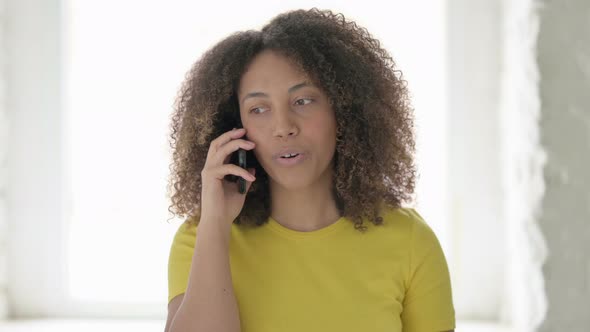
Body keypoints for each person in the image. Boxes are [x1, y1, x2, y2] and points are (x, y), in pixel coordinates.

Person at [164, 8, 455, 332]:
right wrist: (215, 224)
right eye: (258, 108)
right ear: (235, 127)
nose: (283, 127)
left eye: (303, 101)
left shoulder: (411, 242)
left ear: (343, 109)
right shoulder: (201, 238)